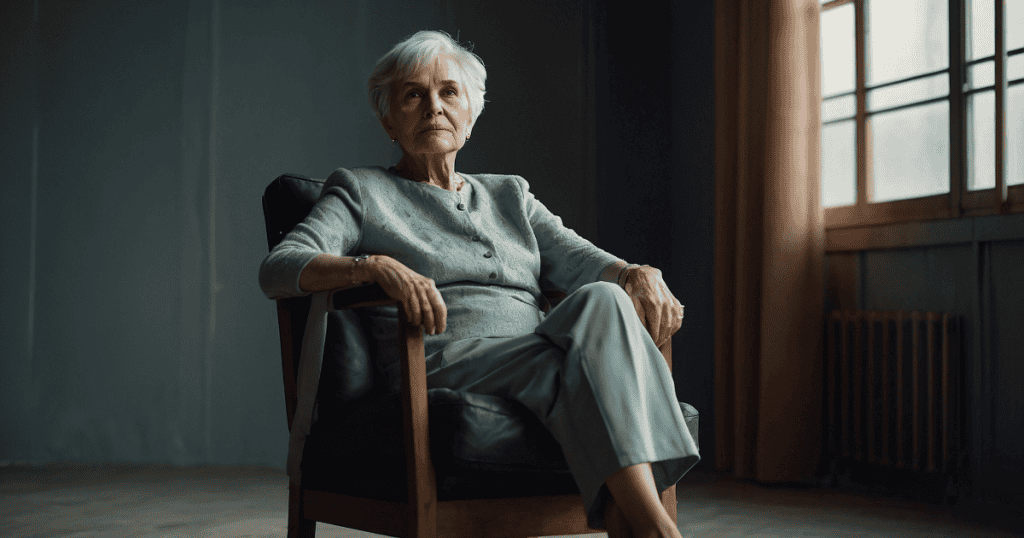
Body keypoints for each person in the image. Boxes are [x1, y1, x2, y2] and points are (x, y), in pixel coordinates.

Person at [259, 30, 699, 538]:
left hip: (533, 353)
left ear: (472, 110)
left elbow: (580, 258)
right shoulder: (362, 191)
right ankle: (656, 530)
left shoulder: (510, 195)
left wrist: (636, 273)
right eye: (412, 95)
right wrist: (372, 266)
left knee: (605, 295)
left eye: (449, 92)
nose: (433, 107)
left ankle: (638, 523)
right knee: (587, 362)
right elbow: (280, 266)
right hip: (437, 358)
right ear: (388, 120)